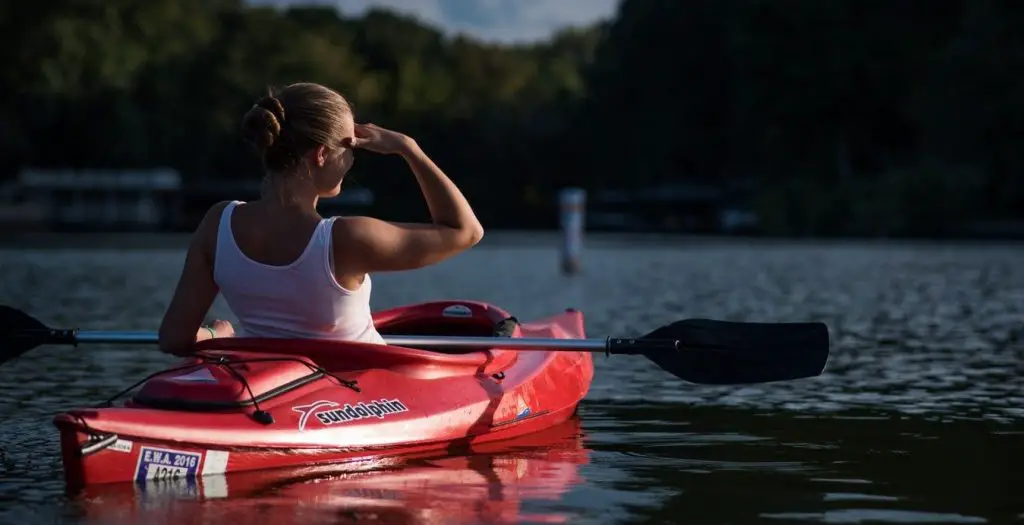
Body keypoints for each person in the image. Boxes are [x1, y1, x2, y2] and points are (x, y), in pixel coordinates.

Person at [157, 82, 484, 356]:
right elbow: (466, 230)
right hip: (357, 399)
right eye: (351, 146)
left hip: (272, 390)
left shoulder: (218, 223)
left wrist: (218, 336)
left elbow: (174, 338)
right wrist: (408, 148)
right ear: (322, 155)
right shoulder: (346, 238)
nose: (353, 158)